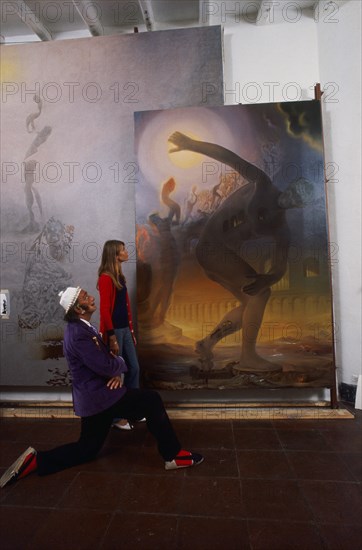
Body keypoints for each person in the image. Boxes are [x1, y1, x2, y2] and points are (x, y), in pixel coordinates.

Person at [0, 286, 204, 489]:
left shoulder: (81, 328)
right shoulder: (79, 334)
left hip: (96, 398)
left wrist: (113, 371)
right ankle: (173, 455)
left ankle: (37, 461)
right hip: (100, 397)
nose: (90, 297)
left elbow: (102, 360)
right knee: (151, 400)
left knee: (87, 449)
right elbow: (105, 364)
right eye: (85, 297)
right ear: (79, 309)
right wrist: (119, 365)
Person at [168, 131, 313, 374]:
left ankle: (207, 343)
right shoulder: (263, 184)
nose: (292, 199)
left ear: (299, 205)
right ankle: (248, 358)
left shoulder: (280, 227)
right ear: (291, 187)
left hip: (220, 256)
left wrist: (270, 277)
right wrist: (191, 144)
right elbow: (229, 158)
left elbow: (279, 266)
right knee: (260, 295)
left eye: (298, 200)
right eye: (295, 192)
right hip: (212, 247)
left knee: (252, 300)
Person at [97, 240, 140, 430]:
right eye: (122, 250)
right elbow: (105, 311)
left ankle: (133, 410)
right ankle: (116, 418)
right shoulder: (106, 278)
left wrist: (130, 332)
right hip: (114, 332)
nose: (126, 252)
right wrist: (111, 336)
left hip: (124, 330)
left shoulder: (119, 276)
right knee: (115, 375)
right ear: (115, 254)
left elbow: (125, 308)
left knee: (134, 368)